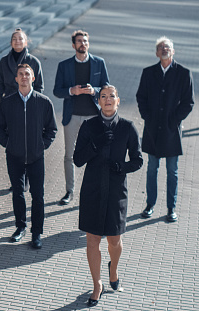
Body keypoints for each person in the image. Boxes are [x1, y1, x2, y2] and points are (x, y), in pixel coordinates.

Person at [73, 85, 143, 307]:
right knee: (93, 240)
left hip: (116, 191)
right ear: (99, 102)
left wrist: (122, 167)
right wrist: (95, 145)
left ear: (118, 101)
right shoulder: (89, 126)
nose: (107, 99)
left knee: (114, 240)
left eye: (111, 96)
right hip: (92, 189)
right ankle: (97, 284)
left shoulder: (127, 127)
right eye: (103, 96)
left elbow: (138, 160)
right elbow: (77, 159)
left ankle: (114, 269)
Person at [0, 64, 57, 249]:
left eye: (27, 74)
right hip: (14, 156)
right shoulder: (8, 102)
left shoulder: (44, 102)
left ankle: (36, 232)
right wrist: (8, 143)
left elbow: (51, 129)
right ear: (16, 79)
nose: (24, 77)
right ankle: (20, 227)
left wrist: (42, 144)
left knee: (38, 196)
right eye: (20, 74)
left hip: (36, 157)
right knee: (18, 193)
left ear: (33, 78)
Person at [136, 36, 195, 222]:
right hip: (153, 129)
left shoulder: (184, 73)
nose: (164, 49)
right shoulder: (148, 72)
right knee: (152, 169)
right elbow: (141, 97)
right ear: (156, 52)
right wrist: (148, 116)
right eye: (160, 47)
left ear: (173, 51)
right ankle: (150, 205)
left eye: (167, 46)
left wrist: (175, 119)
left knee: (172, 171)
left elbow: (188, 102)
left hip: (171, 131)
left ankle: (171, 208)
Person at [53, 30, 109, 206]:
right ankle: (69, 191)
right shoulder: (64, 65)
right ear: (73, 45)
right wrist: (72, 91)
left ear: (88, 44)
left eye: (85, 41)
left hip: (94, 116)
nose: (82, 44)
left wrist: (95, 91)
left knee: (96, 154)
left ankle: (94, 190)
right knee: (69, 155)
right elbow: (57, 90)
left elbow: (107, 87)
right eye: (79, 41)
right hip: (72, 116)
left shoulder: (99, 63)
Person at [0, 28, 44, 104]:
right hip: (8, 100)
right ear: (11, 43)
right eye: (14, 39)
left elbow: (39, 85)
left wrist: (34, 100)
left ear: (26, 43)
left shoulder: (34, 62)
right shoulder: (4, 61)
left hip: (28, 100)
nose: (17, 41)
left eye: (20, 39)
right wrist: (1, 96)